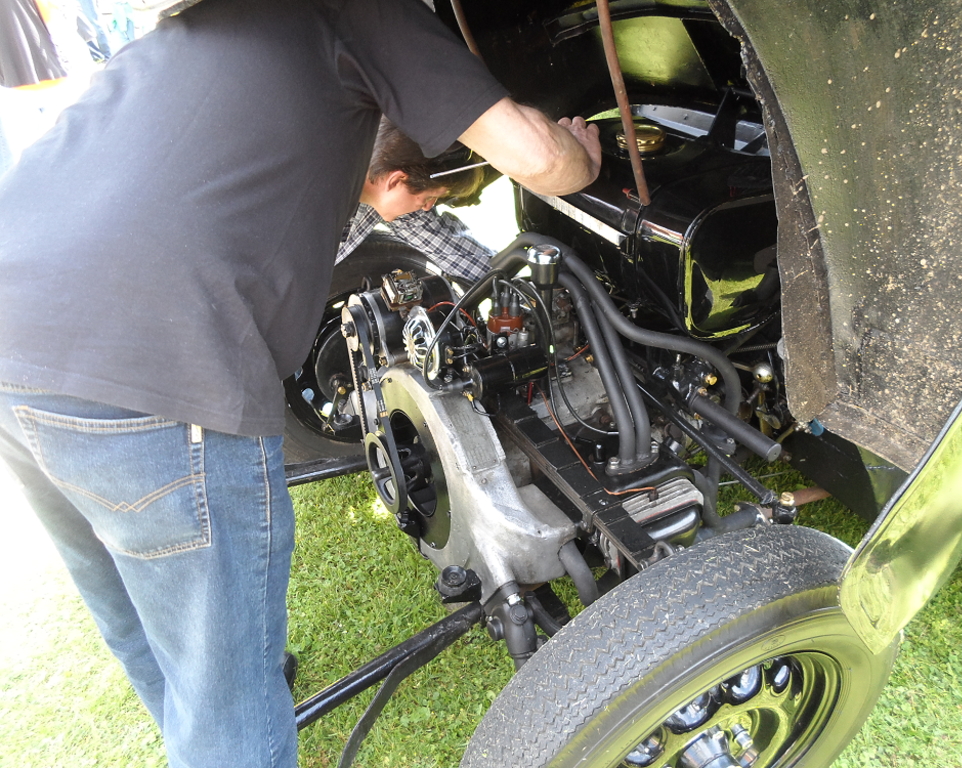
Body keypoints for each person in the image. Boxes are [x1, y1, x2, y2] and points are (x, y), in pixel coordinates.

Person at [0, 1, 600, 767]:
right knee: (231, 707)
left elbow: (438, 239)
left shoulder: (223, 26)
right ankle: (227, 723)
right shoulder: (361, 10)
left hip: (15, 321)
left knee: (130, 608)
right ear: (395, 178)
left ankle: (207, 708)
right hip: (151, 360)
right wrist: (585, 153)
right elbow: (541, 158)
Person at [339, 118, 495, 282]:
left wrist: (504, 273)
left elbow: (454, 251)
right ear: (396, 180)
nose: (428, 206)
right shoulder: (325, 195)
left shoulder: (386, 194)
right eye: (429, 197)